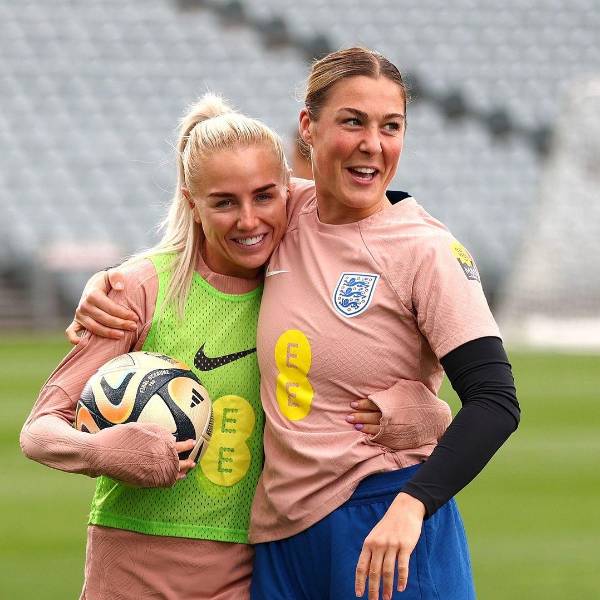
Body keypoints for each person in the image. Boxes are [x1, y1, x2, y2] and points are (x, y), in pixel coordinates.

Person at [68, 48, 520, 600]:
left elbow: (496, 401)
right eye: (352, 122)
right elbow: (213, 217)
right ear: (308, 127)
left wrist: (413, 505)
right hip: (281, 542)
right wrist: (111, 281)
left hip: (384, 522)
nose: (372, 144)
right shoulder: (284, 211)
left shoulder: (426, 251)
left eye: (391, 126)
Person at [20, 92, 384, 599]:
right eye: (224, 202)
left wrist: (423, 409)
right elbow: (38, 430)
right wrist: (101, 451)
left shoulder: (308, 290)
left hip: (248, 571)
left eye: (264, 196)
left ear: (290, 190)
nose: (249, 221)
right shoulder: (139, 288)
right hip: (130, 570)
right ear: (193, 203)